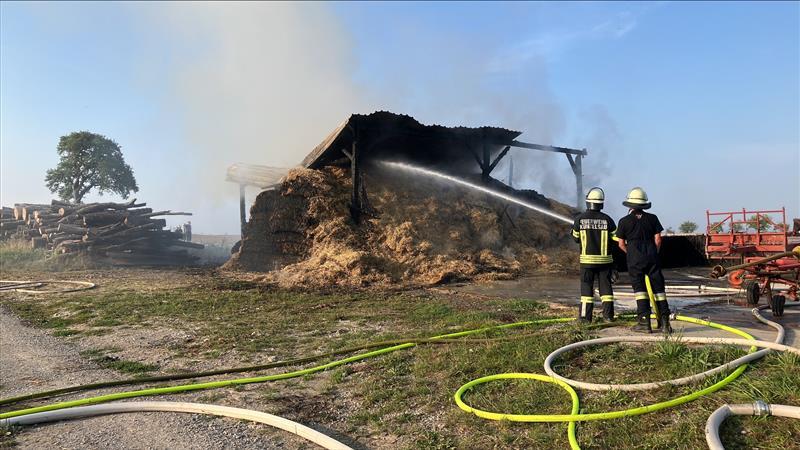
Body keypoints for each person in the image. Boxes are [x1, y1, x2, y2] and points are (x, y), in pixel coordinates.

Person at [616, 187, 671, 334]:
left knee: (640, 291)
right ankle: (665, 324)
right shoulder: (653, 218)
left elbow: (621, 244)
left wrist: (632, 253)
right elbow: (658, 239)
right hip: (652, 257)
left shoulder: (623, 221)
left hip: (634, 260)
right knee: (659, 291)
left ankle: (644, 323)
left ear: (629, 205)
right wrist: (653, 253)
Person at [571, 187, 617, 323]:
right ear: (601, 203)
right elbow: (615, 239)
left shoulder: (579, 219)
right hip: (605, 262)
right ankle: (608, 316)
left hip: (587, 262)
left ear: (588, 202)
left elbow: (575, 238)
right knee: (606, 289)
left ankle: (585, 318)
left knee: (586, 290)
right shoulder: (608, 220)